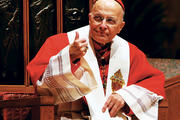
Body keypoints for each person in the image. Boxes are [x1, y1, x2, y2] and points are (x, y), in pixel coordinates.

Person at [27, 0, 165, 119]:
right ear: (89, 18)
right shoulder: (60, 43)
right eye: (98, 18)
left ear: (120, 27)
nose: (103, 25)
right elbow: (42, 86)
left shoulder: (131, 53)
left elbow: (154, 82)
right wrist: (69, 56)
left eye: (110, 20)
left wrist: (125, 96)